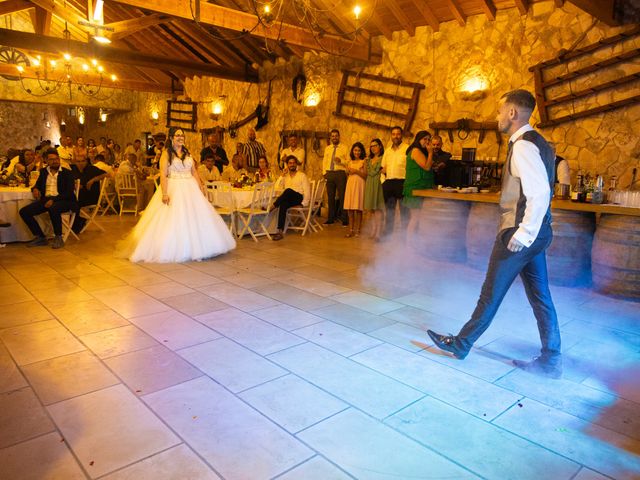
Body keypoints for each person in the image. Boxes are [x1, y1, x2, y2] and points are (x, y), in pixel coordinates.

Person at [427, 89, 561, 379]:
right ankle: (551, 360)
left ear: (512, 113)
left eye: (500, 111)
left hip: (519, 232)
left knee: (490, 295)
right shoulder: (540, 142)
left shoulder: (524, 146)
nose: (497, 116)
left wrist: (523, 234)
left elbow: (539, 193)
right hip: (538, 233)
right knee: (541, 297)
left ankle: (461, 344)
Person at [118, 127, 236, 262]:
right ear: (172, 138)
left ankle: (202, 246)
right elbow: (163, 174)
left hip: (190, 187)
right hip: (174, 186)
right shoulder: (166, 154)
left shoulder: (187, 153)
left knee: (197, 218)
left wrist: (201, 187)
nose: (180, 137)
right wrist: (164, 193)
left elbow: (194, 172)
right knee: (173, 219)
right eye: (177, 135)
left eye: (182, 135)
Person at [19, 148, 78, 249]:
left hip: (65, 201)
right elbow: (36, 185)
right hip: (47, 200)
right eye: (51, 159)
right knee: (24, 211)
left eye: (56, 159)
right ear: (46, 160)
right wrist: (35, 189)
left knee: (53, 207)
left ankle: (58, 237)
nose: (55, 161)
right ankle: (40, 237)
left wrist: (53, 200)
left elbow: (68, 193)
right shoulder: (43, 172)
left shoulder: (67, 173)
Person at [270, 155, 311, 241]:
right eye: (290, 163)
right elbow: (277, 188)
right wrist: (282, 176)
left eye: (293, 163)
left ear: (296, 164)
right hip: (288, 198)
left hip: (298, 197)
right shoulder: (285, 176)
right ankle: (280, 231)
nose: (292, 165)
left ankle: (273, 206)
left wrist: (303, 204)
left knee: (288, 190)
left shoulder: (302, 175)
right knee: (283, 204)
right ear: (287, 165)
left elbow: (307, 191)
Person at [403, 131, 434, 239]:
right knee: (415, 217)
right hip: (415, 188)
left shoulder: (421, 151)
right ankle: (409, 245)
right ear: (418, 139)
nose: (427, 141)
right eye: (424, 139)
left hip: (421, 187)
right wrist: (430, 153)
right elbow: (426, 167)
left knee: (419, 217)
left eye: (429, 139)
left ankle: (416, 243)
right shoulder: (415, 150)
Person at [381, 126, 410, 234]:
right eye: (393, 134)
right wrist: (383, 182)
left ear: (401, 135)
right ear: (391, 136)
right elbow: (382, 168)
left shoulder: (407, 149)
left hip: (402, 182)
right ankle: (388, 234)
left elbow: (409, 167)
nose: (396, 136)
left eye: (398, 134)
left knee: (404, 211)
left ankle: (404, 235)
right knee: (389, 210)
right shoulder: (387, 150)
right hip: (389, 183)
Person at [70, 155, 108, 233]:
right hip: (77, 194)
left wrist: (93, 180)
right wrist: (74, 184)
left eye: (82, 161)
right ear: (75, 162)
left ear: (86, 161)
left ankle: (77, 223)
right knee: (68, 200)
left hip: (90, 196)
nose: (80, 163)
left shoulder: (92, 169)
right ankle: (76, 222)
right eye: (78, 161)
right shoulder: (73, 169)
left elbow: (107, 174)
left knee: (72, 201)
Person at [323, 129, 349, 225]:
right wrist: (324, 173)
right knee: (330, 197)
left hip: (340, 173)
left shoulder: (344, 148)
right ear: (330, 137)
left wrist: (340, 161)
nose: (334, 137)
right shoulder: (327, 148)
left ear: (339, 137)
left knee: (342, 196)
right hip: (329, 173)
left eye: (336, 136)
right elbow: (324, 161)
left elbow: (348, 161)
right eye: (332, 136)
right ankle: (331, 218)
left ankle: (344, 219)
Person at [343, 142, 367, 238]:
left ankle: (358, 230)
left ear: (361, 152)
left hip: (360, 185)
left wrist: (356, 171)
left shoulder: (364, 162)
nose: (357, 152)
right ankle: (351, 230)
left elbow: (365, 176)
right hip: (350, 185)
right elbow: (347, 175)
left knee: (358, 208)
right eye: (355, 150)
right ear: (352, 151)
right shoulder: (349, 162)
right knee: (350, 209)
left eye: (359, 150)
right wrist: (348, 171)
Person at [364, 138, 385, 241]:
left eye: (375, 145)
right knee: (370, 210)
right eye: (371, 146)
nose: (373, 148)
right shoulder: (368, 160)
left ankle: (378, 232)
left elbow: (385, 170)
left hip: (378, 183)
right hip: (369, 183)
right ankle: (373, 230)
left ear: (380, 146)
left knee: (378, 209)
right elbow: (365, 173)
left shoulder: (383, 158)